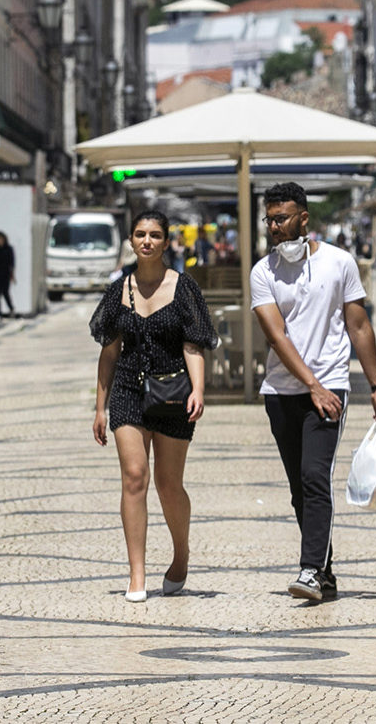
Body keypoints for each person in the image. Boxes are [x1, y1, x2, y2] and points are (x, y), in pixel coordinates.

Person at [250, 181, 376, 602]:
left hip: (330, 385)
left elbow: (359, 326)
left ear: (303, 219)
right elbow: (276, 337)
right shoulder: (263, 273)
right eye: (269, 219)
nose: (275, 226)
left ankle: (309, 569)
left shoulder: (339, 262)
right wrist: (306, 385)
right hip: (281, 390)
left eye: (282, 218)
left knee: (315, 476)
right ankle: (325, 571)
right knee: (299, 487)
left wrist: (375, 385)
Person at [90, 209, 215, 603]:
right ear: (131, 240)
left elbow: (193, 344)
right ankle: (137, 574)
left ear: (165, 241)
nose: (147, 241)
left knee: (168, 484)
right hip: (128, 390)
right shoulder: (117, 291)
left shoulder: (184, 288)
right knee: (134, 476)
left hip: (172, 390)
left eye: (155, 235)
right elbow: (109, 353)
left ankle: (181, 554)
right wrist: (100, 406)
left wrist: (199, 389)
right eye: (140, 234)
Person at [0, 230, 17, 318]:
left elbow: (12, 263)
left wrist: (12, 274)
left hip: (5, 274)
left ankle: (11, 308)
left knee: (5, 292)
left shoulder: (9, 249)